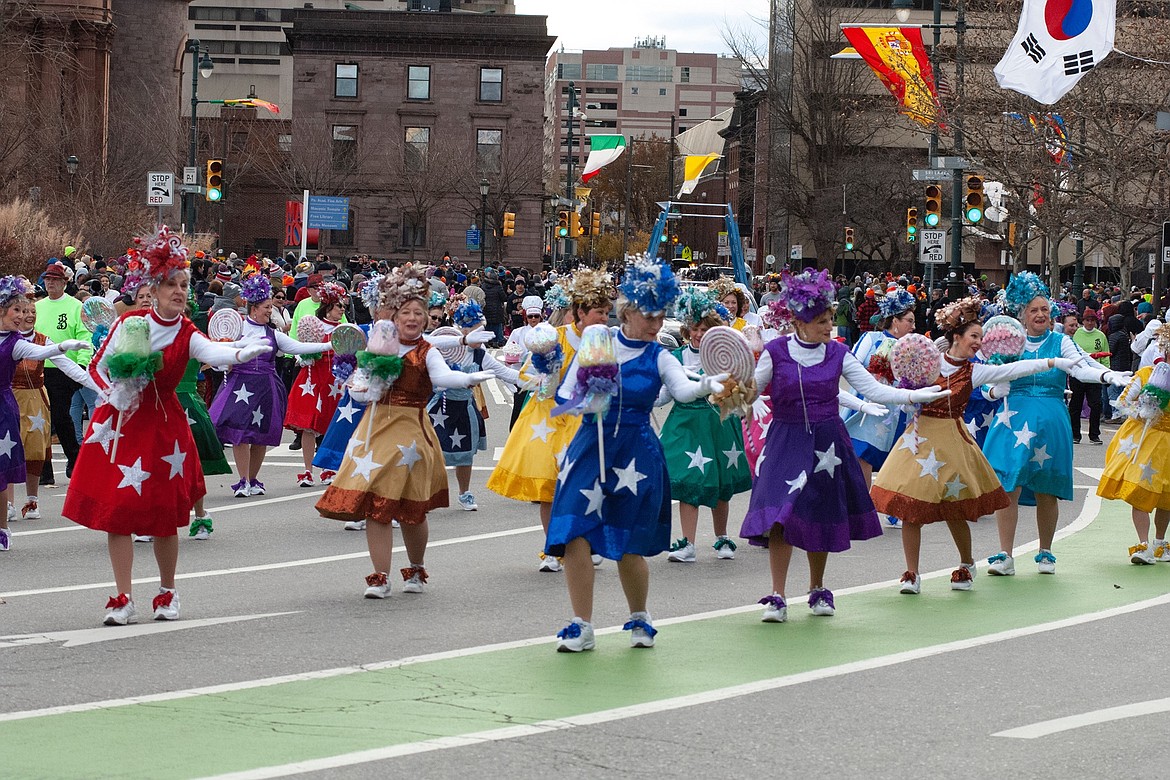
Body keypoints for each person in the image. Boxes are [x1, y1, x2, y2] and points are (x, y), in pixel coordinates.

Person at [61, 228, 272, 623]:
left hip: (162, 428)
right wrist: (113, 394)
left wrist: (242, 351)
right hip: (122, 424)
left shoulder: (187, 331)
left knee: (162, 514)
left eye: (184, 284)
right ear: (155, 289)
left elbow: (212, 350)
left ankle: (167, 591)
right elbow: (97, 366)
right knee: (117, 510)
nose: (179, 291)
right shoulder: (131, 323)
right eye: (171, 284)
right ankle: (123, 597)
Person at [740, 269, 949, 623]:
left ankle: (817, 589)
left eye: (830, 320)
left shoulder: (838, 354)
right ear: (801, 322)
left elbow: (874, 389)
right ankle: (777, 595)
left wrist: (915, 394)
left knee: (818, 512)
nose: (829, 327)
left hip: (827, 443)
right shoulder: (775, 352)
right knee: (779, 516)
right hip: (785, 439)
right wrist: (732, 392)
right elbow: (751, 388)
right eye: (822, 321)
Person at [547, 256, 727, 652]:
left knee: (628, 542)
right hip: (590, 446)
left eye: (661, 316)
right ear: (626, 311)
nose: (656, 324)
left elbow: (680, 390)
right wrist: (585, 400)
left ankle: (640, 616)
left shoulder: (660, 355)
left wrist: (706, 385)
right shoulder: (599, 341)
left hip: (636, 450)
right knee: (574, 530)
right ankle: (582, 624)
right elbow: (563, 395)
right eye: (649, 315)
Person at [872, 296, 1083, 594]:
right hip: (918, 442)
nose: (979, 343)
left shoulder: (974, 371)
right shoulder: (927, 360)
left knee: (955, 509)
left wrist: (1054, 362)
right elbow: (893, 379)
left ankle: (966, 563)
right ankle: (911, 573)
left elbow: (1016, 370)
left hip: (952, 441)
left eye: (981, 337)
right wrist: (897, 390)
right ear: (956, 337)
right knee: (910, 509)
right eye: (974, 336)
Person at [315, 266, 496, 598]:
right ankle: (379, 576)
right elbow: (360, 390)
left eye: (418, 312)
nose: (412, 318)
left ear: (426, 317)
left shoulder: (427, 350)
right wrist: (360, 382)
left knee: (413, 511)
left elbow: (441, 377)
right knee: (375, 504)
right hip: (375, 431)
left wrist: (468, 379)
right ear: (394, 316)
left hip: (411, 430)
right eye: (406, 312)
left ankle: (415, 567)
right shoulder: (378, 344)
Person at [983, 273, 1130, 577]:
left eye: (1045, 311)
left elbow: (1081, 368)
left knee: (1046, 490)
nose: (1040, 315)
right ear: (1022, 314)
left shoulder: (1061, 341)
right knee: (1007, 484)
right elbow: (985, 380)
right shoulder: (1010, 343)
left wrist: (1107, 376)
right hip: (1014, 421)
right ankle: (1005, 555)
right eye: (1034, 310)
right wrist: (995, 391)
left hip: (1051, 421)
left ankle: (1045, 551)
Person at [486, 270, 612, 573]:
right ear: (580, 312)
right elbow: (528, 377)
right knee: (549, 487)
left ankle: (587, 541)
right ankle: (554, 547)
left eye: (608, 313)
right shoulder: (552, 338)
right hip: (549, 419)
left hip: (584, 420)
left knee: (586, 485)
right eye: (599, 313)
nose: (605, 319)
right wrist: (547, 377)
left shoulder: (603, 341)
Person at [211, 274, 331, 496]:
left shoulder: (273, 334)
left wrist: (330, 344)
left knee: (260, 436)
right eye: (266, 307)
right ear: (254, 308)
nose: (270, 311)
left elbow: (297, 347)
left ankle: (254, 479)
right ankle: (243, 480)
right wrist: (223, 362)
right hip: (240, 386)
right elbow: (220, 355)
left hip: (266, 388)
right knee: (239, 434)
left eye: (269, 307)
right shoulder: (238, 330)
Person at [659, 287, 751, 562]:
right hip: (685, 424)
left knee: (719, 482)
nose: (699, 334)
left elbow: (740, 393)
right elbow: (665, 394)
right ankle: (687, 543)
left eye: (705, 329)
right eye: (694, 328)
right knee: (689, 481)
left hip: (718, 425)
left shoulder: (724, 358)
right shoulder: (674, 358)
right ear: (686, 329)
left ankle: (722, 536)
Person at [1, 282, 94, 547]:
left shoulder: (21, 343)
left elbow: (45, 354)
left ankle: (16, 513)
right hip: (11, 399)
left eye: (28, 311)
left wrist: (65, 347)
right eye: (17, 310)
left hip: (20, 402)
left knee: (27, 451)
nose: (23, 316)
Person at [843, 287, 918, 527]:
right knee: (862, 453)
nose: (913, 326)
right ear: (894, 320)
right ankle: (866, 504)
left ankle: (892, 501)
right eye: (909, 321)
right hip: (869, 404)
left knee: (895, 456)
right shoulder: (871, 338)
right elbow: (852, 364)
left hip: (898, 408)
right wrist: (873, 374)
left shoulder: (913, 345)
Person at [1098, 324, 1170, 564]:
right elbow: (1122, 401)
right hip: (1146, 440)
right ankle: (1143, 544)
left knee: (1166, 495)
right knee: (1140, 491)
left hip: (1168, 445)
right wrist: (1143, 412)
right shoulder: (1147, 374)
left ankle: (1161, 543)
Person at [285, 282, 347, 487]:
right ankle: (307, 470)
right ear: (329, 306)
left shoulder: (344, 330)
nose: (343, 310)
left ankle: (328, 469)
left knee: (331, 425)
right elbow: (301, 347)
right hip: (312, 379)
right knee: (308, 426)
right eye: (340, 307)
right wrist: (305, 356)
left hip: (334, 381)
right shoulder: (312, 324)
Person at [34, 262, 89, 479]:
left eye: (55, 280)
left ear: (64, 283)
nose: (50, 284)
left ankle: (74, 458)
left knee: (59, 416)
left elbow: (84, 336)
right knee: (40, 418)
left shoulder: (75, 306)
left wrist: (82, 363)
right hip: (38, 367)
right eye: (47, 280)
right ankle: (44, 469)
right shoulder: (38, 307)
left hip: (64, 369)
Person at [1068, 308, 1109, 444]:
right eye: (1087, 320)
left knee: (1096, 404)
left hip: (1094, 373)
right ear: (1083, 321)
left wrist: (1106, 372)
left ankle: (1094, 434)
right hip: (1077, 373)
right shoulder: (1077, 333)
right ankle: (1075, 434)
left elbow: (1105, 353)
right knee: (1076, 404)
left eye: (1092, 320)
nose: (1090, 323)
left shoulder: (1100, 335)